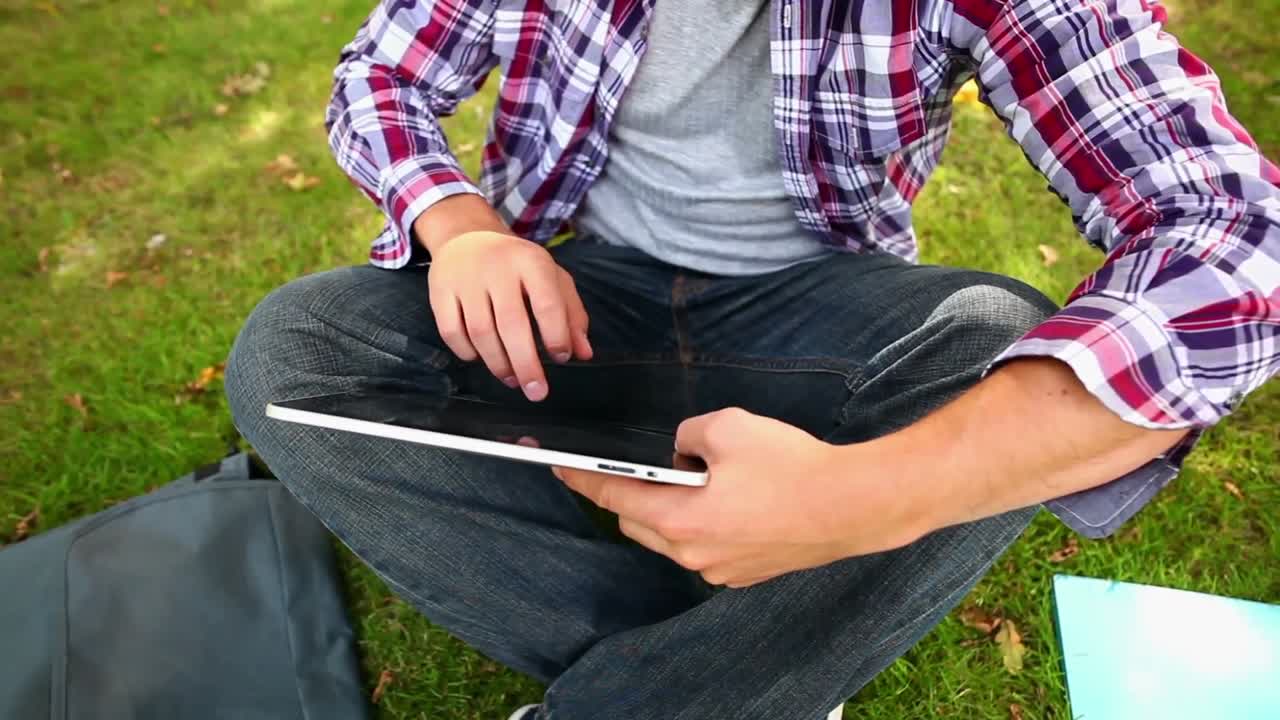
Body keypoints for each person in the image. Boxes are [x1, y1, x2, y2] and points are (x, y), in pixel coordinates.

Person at [224, 0, 1279, 717]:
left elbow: (1237, 241)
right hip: (579, 303)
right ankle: (758, 666)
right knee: (301, 351)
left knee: (998, 345)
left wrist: (874, 496)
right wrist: (458, 223)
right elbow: (380, 74)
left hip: (816, 322)